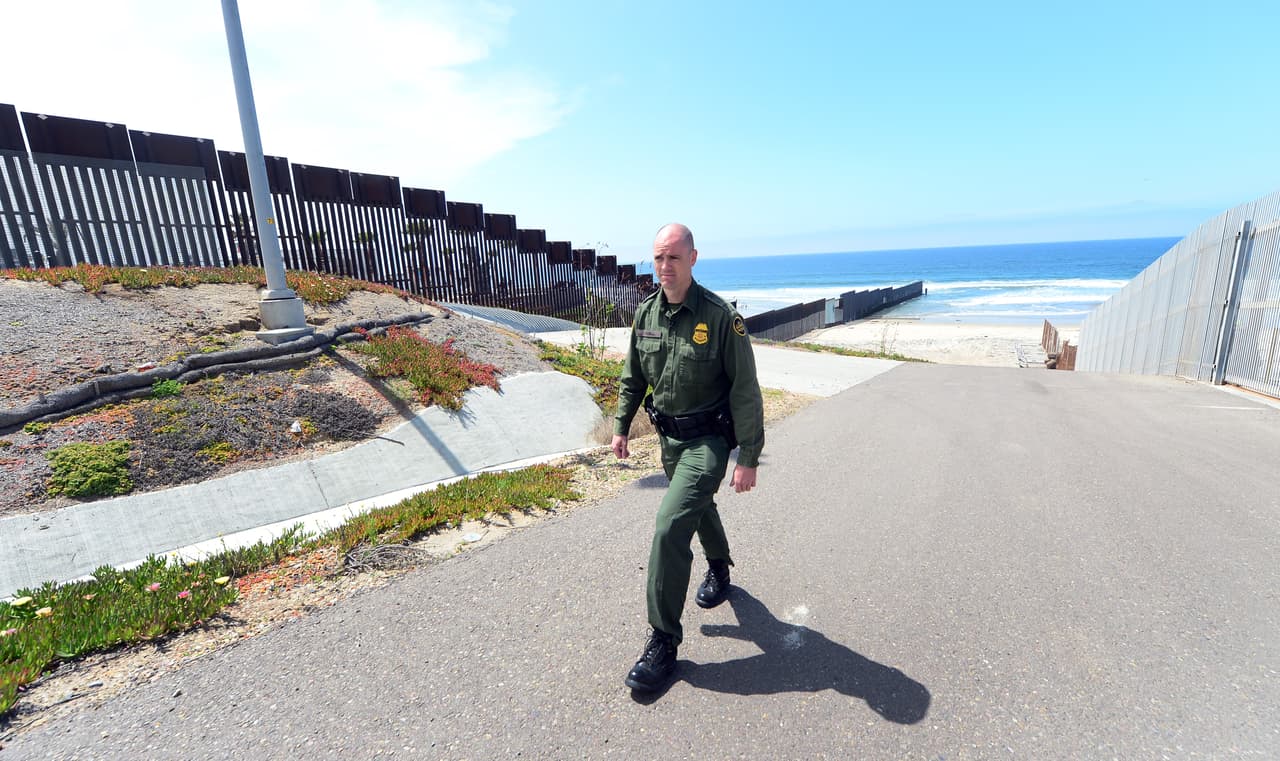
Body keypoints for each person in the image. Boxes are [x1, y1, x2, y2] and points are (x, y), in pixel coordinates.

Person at [611, 223, 765, 692]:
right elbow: (633, 376)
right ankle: (720, 566)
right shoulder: (646, 316)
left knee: (670, 524)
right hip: (670, 442)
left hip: (709, 443)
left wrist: (749, 457)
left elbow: (745, 391)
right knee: (698, 509)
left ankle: (663, 641)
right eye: (658, 258)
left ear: (693, 259)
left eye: (674, 258)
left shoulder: (720, 318)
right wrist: (621, 425)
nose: (664, 267)